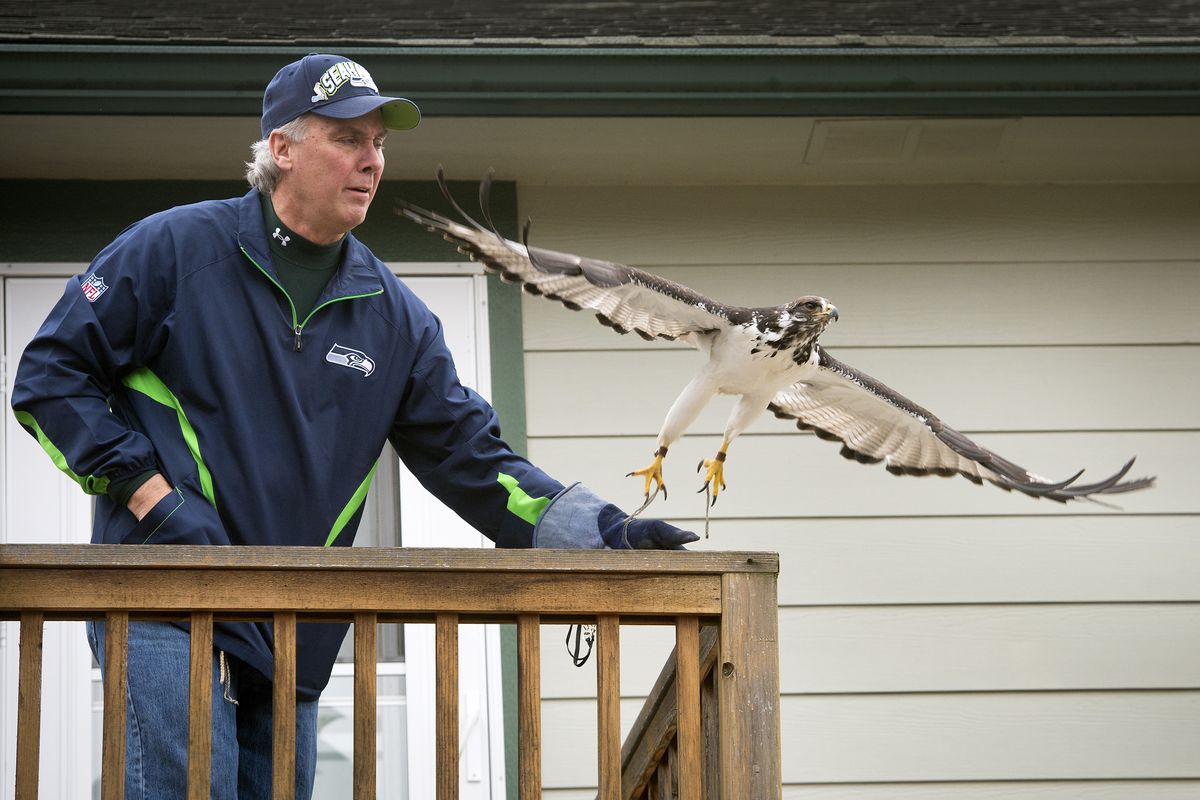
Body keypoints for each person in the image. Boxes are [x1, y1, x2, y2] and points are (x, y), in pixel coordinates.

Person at [10, 53, 696, 799]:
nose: (370, 161)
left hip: (294, 633)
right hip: (169, 604)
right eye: (347, 139)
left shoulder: (394, 316)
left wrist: (600, 533)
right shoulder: (174, 250)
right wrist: (153, 498)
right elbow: (50, 382)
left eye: (378, 143)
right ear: (281, 148)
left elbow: (474, 460)